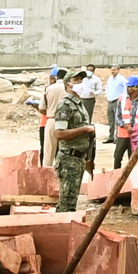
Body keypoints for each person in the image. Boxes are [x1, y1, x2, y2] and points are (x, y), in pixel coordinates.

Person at [52, 70, 95, 213]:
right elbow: (59, 133)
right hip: (68, 159)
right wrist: (84, 129)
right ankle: (60, 232)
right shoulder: (65, 105)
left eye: (81, 80)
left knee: (72, 201)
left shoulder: (79, 104)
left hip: (78, 159)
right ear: (68, 85)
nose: (80, 83)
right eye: (76, 80)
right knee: (66, 204)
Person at [113, 76, 138, 169]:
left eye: (130, 87)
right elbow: (117, 116)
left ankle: (132, 177)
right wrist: (125, 126)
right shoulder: (122, 99)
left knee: (133, 158)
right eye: (128, 87)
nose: (128, 89)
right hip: (123, 134)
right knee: (117, 157)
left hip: (136, 135)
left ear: (136, 87)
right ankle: (116, 175)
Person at [42, 69, 66, 167]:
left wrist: (49, 112)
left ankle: (45, 175)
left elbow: (42, 108)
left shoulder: (48, 89)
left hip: (51, 119)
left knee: (48, 152)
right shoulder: (69, 89)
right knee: (64, 150)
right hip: (65, 121)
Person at [103, 65, 127, 144]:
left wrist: (121, 97)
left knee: (117, 120)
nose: (113, 71)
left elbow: (126, 89)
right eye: (112, 70)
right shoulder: (110, 79)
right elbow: (107, 88)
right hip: (110, 101)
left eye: (114, 70)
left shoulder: (121, 79)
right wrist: (107, 95)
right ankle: (111, 137)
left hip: (117, 101)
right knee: (111, 120)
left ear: (118, 70)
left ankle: (117, 138)